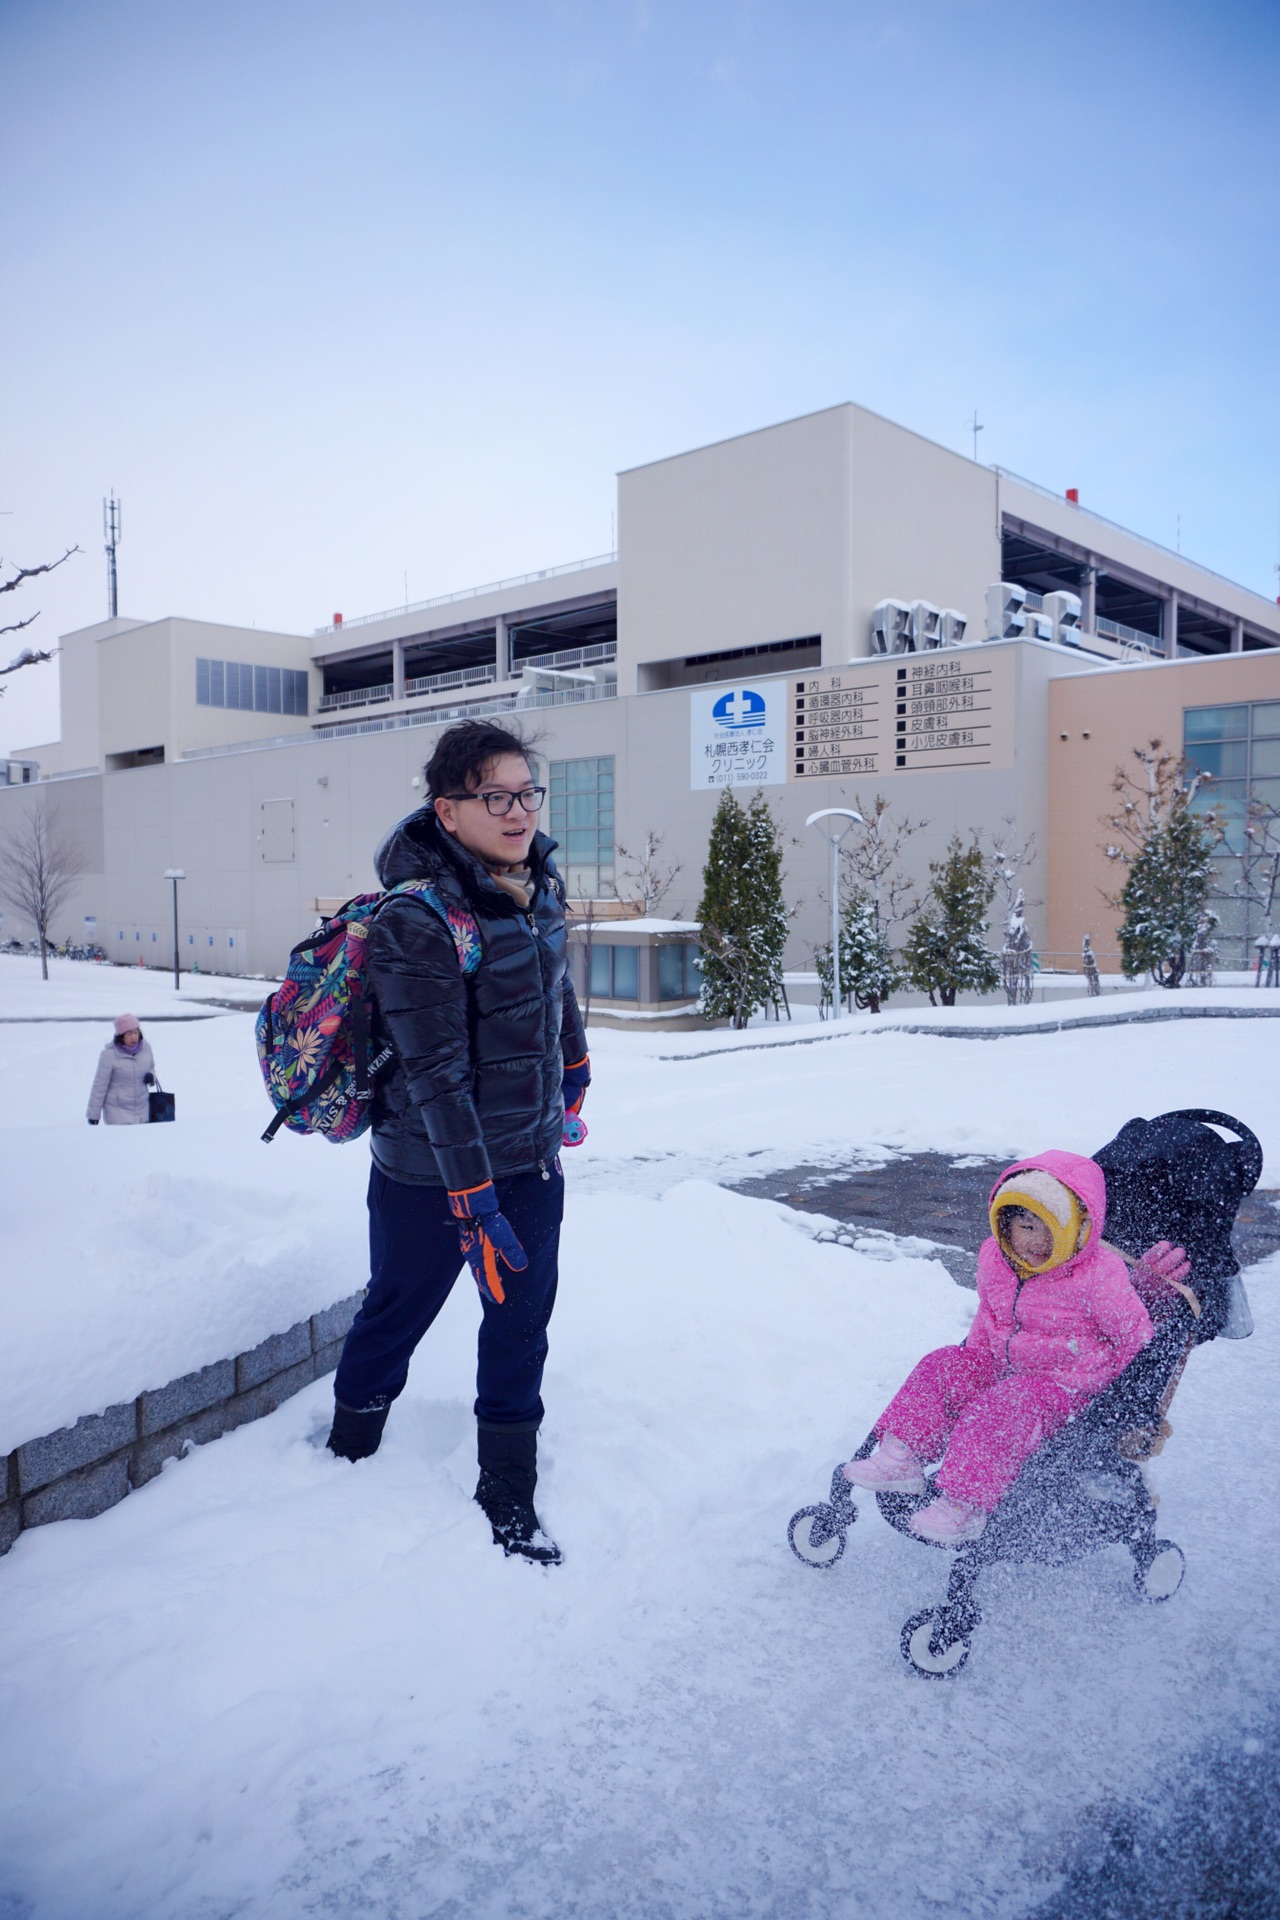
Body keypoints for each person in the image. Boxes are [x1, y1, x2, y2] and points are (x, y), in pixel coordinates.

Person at [325, 719, 589, 1567]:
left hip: (528, 1162)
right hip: (426, 1175)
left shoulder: (537, 880)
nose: (518, 812)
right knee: (397, 1311)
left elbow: (552, 986)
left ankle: (507, 1487)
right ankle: (348, 1448)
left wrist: (574, 1064)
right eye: (496, 797)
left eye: (526, 792)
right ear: (447, 810)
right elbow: (435, 1073)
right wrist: (471, 1199)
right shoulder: (418, 916)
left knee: (519, 1328)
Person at [842, 1151, 1182, 1543]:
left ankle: (964, 1506)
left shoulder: (1098, 1275)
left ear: (1078, 1227)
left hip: (1067, 1390)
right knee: (943, 1364)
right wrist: (971, 1360)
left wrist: (1126, 1407)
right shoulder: (996, 1257)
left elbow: (1134, 1340)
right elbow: (990, 1313)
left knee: (1005, 1403)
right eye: (1025, 1225)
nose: (1037, 1241)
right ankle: (902, 1457)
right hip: (1004, 1370)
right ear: (1005, 1223)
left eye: (1052, 1227)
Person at [86, 1015, 157, 1125]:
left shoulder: (146, 1049)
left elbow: (151, 1068)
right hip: (117, 1113)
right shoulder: (109, 1055)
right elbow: (100, 1085)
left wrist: (151, 1077)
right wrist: (93, 1114)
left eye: (135, 1032)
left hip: (142, 1112)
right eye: (129, 1033)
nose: (133, 1037)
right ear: (121, 1036)